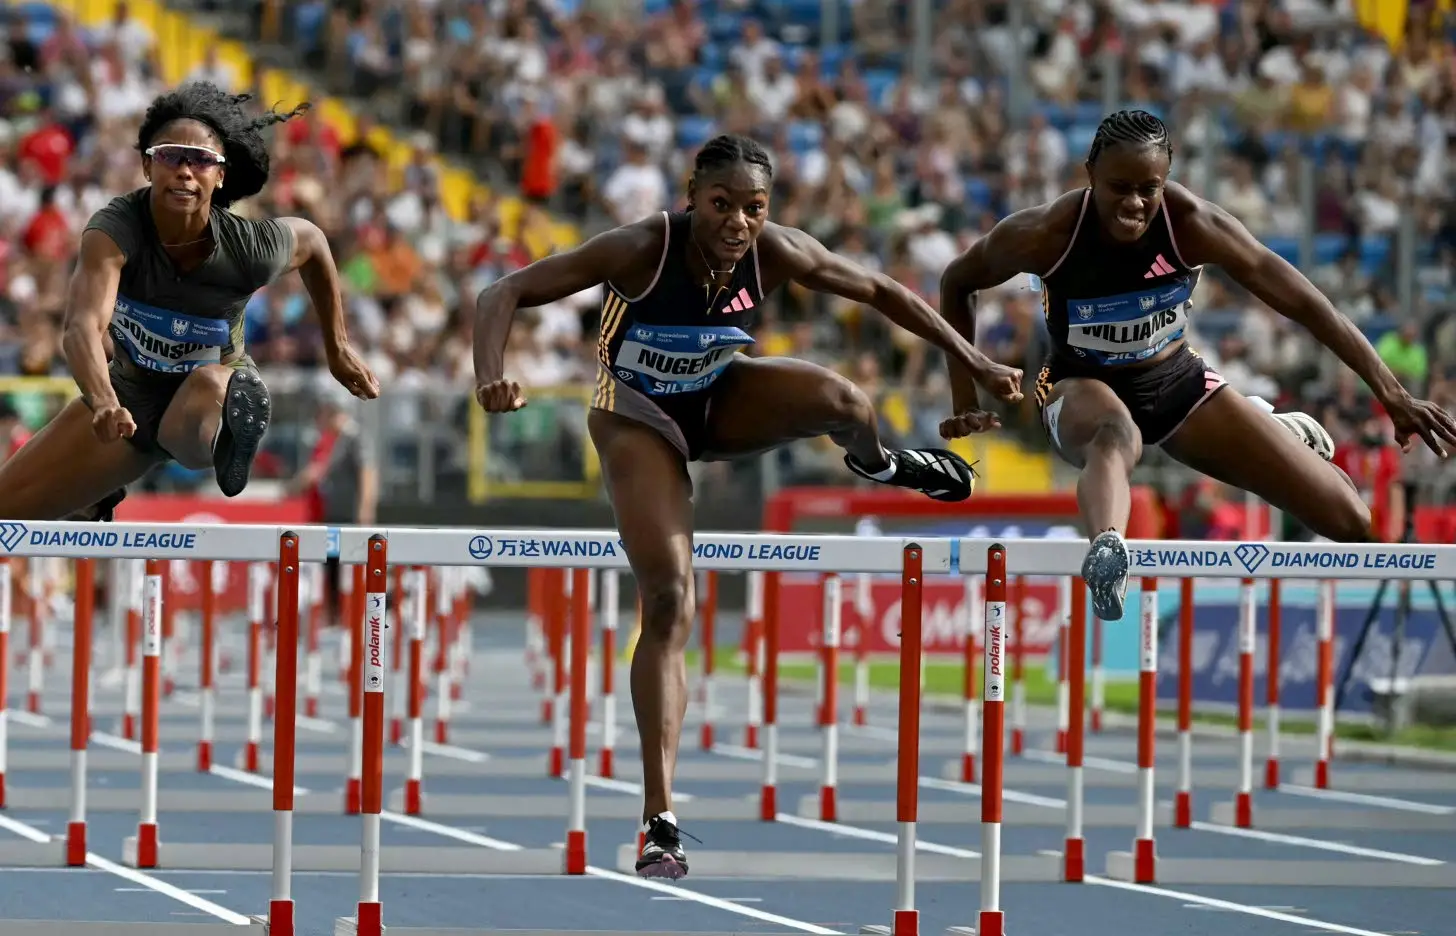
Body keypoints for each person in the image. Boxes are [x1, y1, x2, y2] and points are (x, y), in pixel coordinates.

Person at [474, 134, 1021, 879]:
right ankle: (659, 819)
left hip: (720, 400)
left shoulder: (778, 250)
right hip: (636, 416)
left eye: (753, 209)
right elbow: (499, 291)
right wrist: (490, 376)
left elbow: (885, 292)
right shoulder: (641, 247)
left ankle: (883, 463)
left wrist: (978, 359)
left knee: (846, 399)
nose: (737, 223)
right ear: (691, 195)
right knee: (669, 596)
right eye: (721, 205)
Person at [938, 109, 1456, 622]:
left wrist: (1392, 393)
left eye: (1150, 188)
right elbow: (957, 282)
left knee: (1349, 519)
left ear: (1167, 180)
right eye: (1119, 187)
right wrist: (964, 396)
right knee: (1114, 434)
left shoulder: (1192, 225)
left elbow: (1305, 303)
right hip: (1077, 382)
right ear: (1090, 174)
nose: (1134, 204)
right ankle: (1108, 551)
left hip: (1174, 380)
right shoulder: (1045, 233)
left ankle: (1269, 426)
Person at [0, 81, 380, 521]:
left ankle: (226, 435)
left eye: (201, 160)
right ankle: (97, 489)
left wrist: (338, 347)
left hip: (204, 397)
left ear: (220, 176)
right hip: (128, 401)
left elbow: (313, 242)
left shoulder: (247, 247)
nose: (185, 170)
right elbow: (83, 328)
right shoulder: (114, 229)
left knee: (207, 387)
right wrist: (104, 401)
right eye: (170, 156)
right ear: (147, 166)